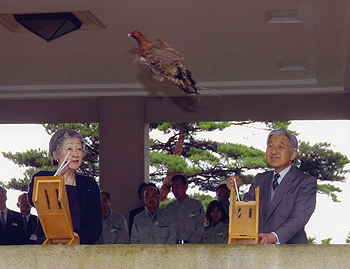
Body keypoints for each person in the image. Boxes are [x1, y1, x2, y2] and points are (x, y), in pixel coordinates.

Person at [227, 129, 317, 244]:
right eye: (270, 146)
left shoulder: (305, 181)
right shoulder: (260, 179)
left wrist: (274, 236)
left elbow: (300, 217)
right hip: (259, 250)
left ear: (293, 154)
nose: (274, 151)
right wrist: (234, 192)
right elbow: (244, 214)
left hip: (291, 251)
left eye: (280, 147)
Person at [28, 129, 102, 244]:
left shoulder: (89, 184)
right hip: (48, 247)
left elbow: (95, 226)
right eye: (69, 149)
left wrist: (77, 237)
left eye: (79, 149)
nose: (75, 154)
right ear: (56, 154)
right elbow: (34, 201)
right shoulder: (42, 177)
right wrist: (58, 176)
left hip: (80, 248)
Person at [165, 174, 204, 244]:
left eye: (178, 187)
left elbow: (200, 227)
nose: (175, 190)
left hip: (193, 246)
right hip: (174, 246)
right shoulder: (169, 208)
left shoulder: (196, 205)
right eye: (173, 187)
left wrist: (189, 243)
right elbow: (167, 229)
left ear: (186, 187)